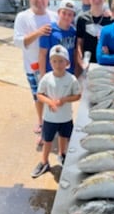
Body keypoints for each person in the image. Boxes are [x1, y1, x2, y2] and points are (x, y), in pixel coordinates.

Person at [31, 45, 81, 178]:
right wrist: (50, 102)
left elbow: (77, 95)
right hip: (49, 118)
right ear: (50, 62)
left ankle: (62, 154)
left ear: (67, 63)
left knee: (63, 136)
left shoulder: (72, 79)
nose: (57, 64)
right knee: (47, 140)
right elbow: (39, 94)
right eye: (54, 61)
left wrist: (64, 99)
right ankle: (44, 161)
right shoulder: (46, 78)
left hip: (65, 117)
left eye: (61, 61)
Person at [14, 0, 57, 136]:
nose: (39, 0)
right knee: (38, 95)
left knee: (53, 94)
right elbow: (18, 42)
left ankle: (53, 120)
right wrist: (38, 33)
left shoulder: (54, 16)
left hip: (53, 65)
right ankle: (40, 120)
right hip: (33, 66)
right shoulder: (22, 16)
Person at [76, 0, 114, 72]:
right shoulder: (82, 19)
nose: (96, 0)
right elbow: (79, 43)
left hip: (105, 64)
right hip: (87, 64)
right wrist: (80, 60)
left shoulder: (111, 20)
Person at [39, 0, 77, 78]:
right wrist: (42, 76)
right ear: (58, 13)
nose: (66, 17)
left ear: (73, 16)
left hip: (68, 76)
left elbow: (74, 54)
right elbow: (42, 54)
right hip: (52, 75)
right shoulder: (49, 30)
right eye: (64, 13)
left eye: (70, 14)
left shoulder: (74, 32)